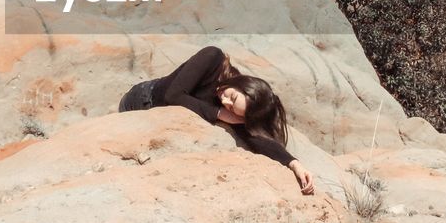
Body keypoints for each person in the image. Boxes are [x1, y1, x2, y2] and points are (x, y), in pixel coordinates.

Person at [118, 45, 315, 194]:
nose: (225, 100)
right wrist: (219, 114)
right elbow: (173, 96)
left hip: (159, 124)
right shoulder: (212, 58)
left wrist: (294, 163)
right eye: (233, 97)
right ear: (242, 84)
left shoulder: (235, 110)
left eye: (231, 106)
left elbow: (255, 137)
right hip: (141, 101)